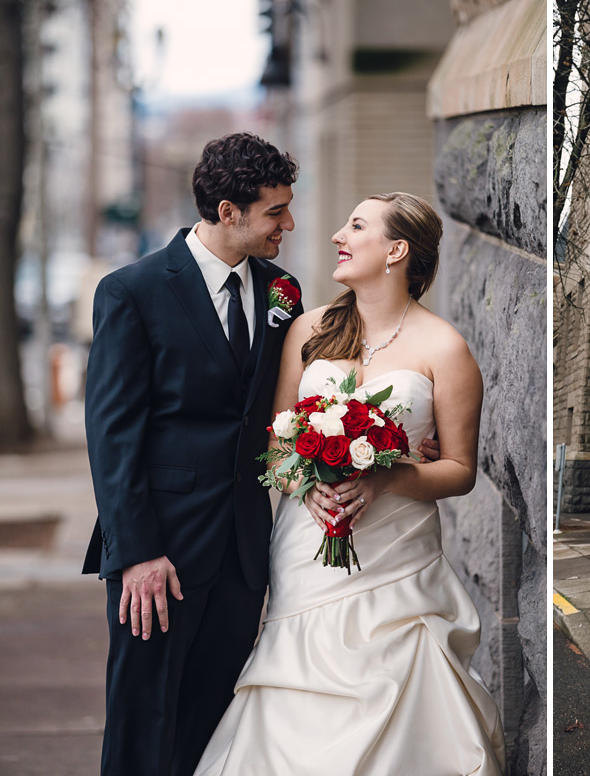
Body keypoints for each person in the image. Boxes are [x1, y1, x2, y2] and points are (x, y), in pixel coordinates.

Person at [195, 193, 506, 775]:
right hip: (306, 550)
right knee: (294, 688)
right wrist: (304, 482)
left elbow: (460, 471)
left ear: (396, 250)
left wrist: (390, 477)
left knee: (400, 681)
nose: (339, 233)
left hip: (397, 559)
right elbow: (277, 442)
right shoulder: (309, 330)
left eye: (356, 226)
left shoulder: (446, 349)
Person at [82, 133, 303, 775]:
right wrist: (138, 553)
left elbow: (282, 409)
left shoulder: (282, 291)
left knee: (215, 719)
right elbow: (113, 435)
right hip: (162, 552)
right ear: (228, 211)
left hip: (241, 548)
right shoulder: (133, 292)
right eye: (274, 212)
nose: (287, 223)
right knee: (145, 718)